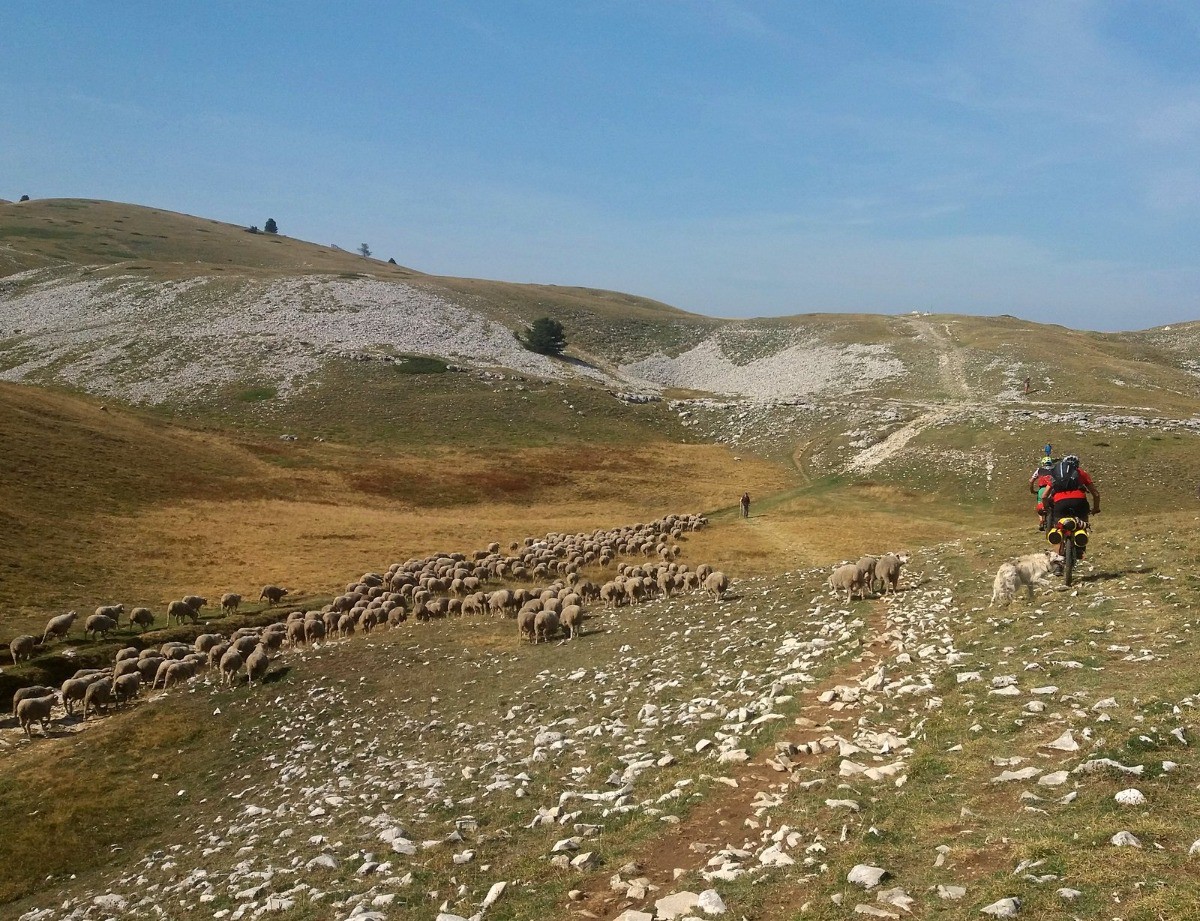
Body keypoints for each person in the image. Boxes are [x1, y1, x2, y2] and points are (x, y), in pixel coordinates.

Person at [1044, 454, 1101, 527]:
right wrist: (1096, 508)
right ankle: (1081, 535)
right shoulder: (1081, 473)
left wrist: (1046, 508)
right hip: (1079, 502)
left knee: (1059, 526)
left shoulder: (1057, 475)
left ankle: (1058, 535)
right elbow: (1095, 494)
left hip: (1060, 503)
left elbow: (1044, 496)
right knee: (1082, 526)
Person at [1028, 456, 1057, 531]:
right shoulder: (1055, 469)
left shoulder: (1039, 470)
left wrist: (1032, 490)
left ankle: (1041, 521)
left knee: (1040, 504)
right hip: (1053, 488)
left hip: (1042, 489)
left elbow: (1031, 481)